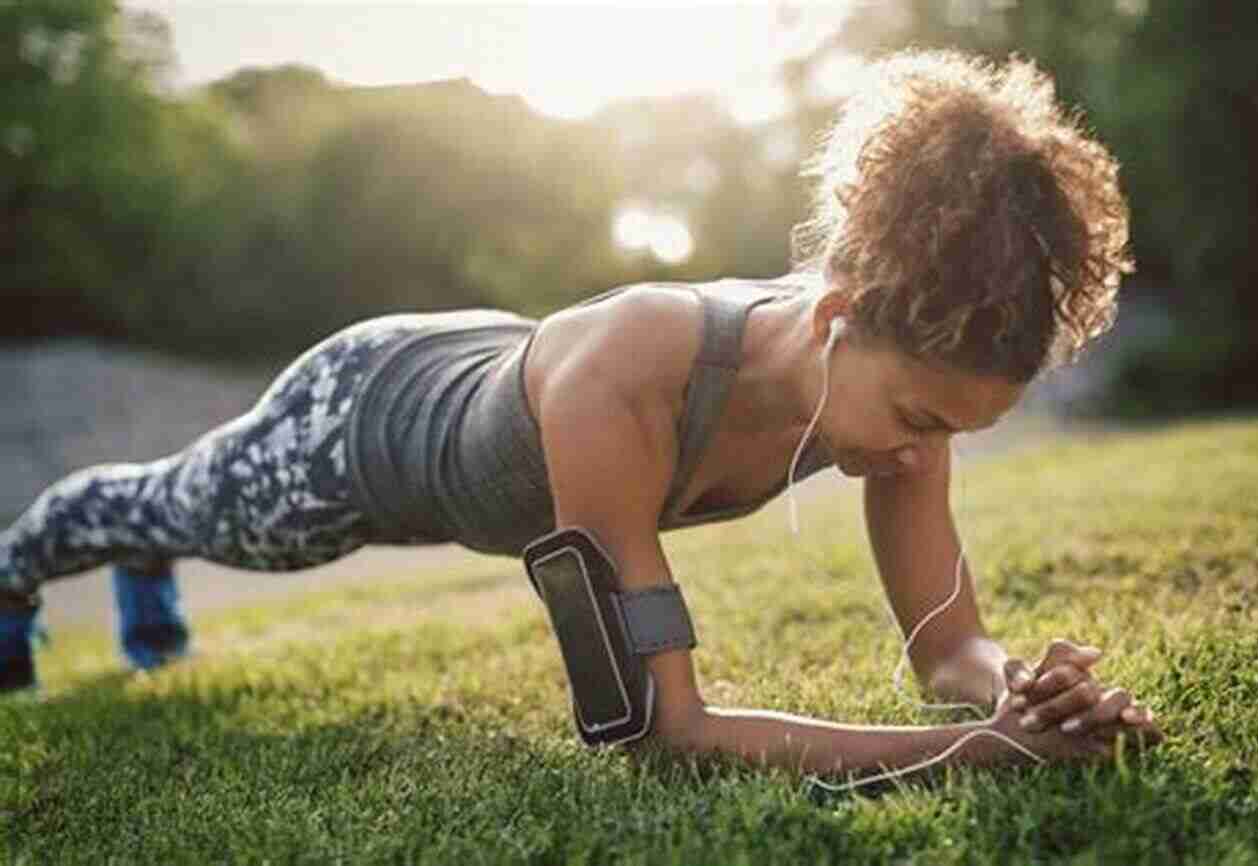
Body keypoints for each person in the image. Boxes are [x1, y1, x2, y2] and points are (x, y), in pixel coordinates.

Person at [0, 49, 1161, 777]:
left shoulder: (902, 380)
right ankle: (24, 563)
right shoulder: (634, 372)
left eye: (955, 431)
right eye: (917, 417)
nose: (923, 455)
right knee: (194, 508)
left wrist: (1016, 686)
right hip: (358, 422)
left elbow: (946, 645)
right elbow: (660, 729)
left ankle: (138, 548)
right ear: (837, 316)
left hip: (491, 353)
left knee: (181, 513)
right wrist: (980, 751)